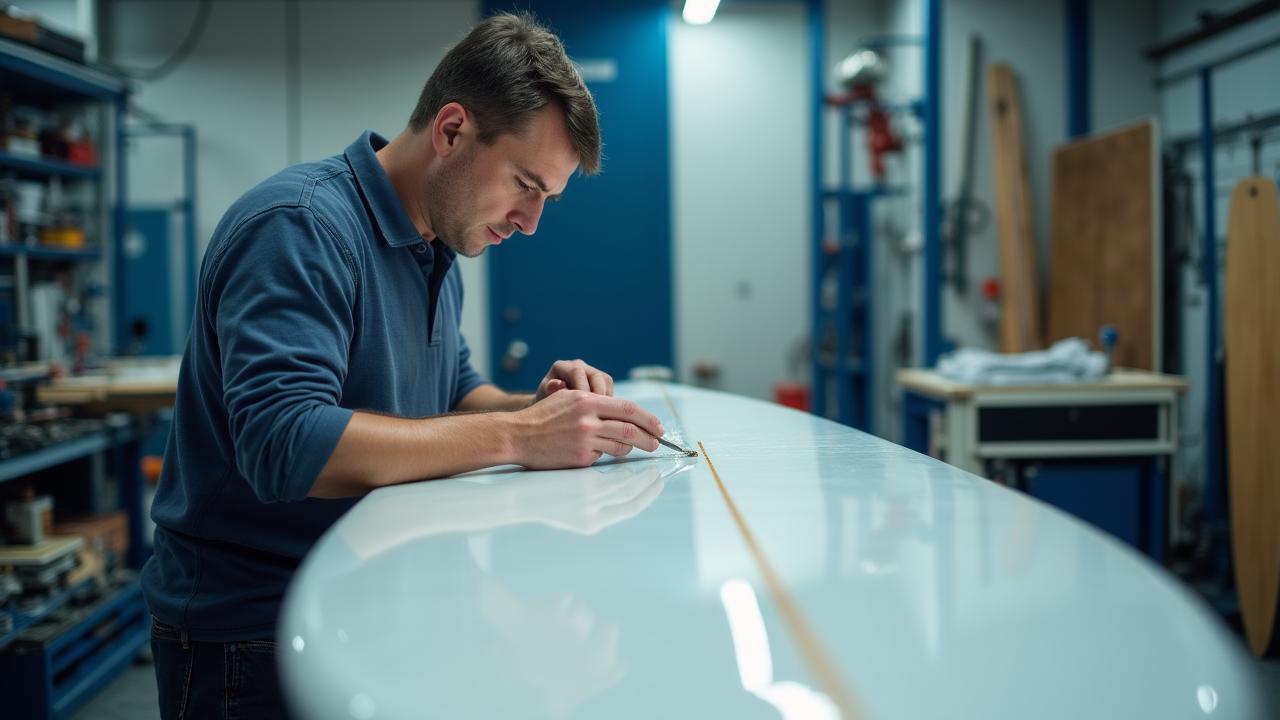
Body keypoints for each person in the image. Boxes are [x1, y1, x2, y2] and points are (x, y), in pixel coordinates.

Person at [142, 12, 665, 719]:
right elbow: (282, 444)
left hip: (366, 595)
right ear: (452, 131)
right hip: (253, 632)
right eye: (525, 184)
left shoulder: (438, 250)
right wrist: (521, 439)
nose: (531, 220)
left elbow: (450, 395)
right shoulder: (300, 226)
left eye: (548, 198)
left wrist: (536, 408)